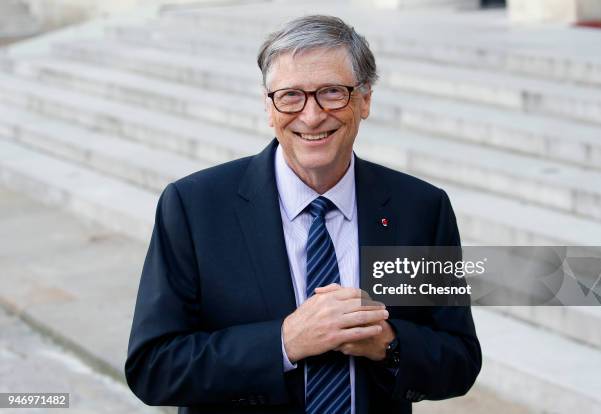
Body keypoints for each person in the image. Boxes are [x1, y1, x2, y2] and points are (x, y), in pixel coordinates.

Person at [125, 14, 481, 414]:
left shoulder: (417, 209)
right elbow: (153, 367)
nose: (311, 116)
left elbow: (459, 360)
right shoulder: (195, 208)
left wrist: (387, 343)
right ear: (268, 104)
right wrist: (284, 342)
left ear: (365, 100)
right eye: (291, 95)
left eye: (332, 92)